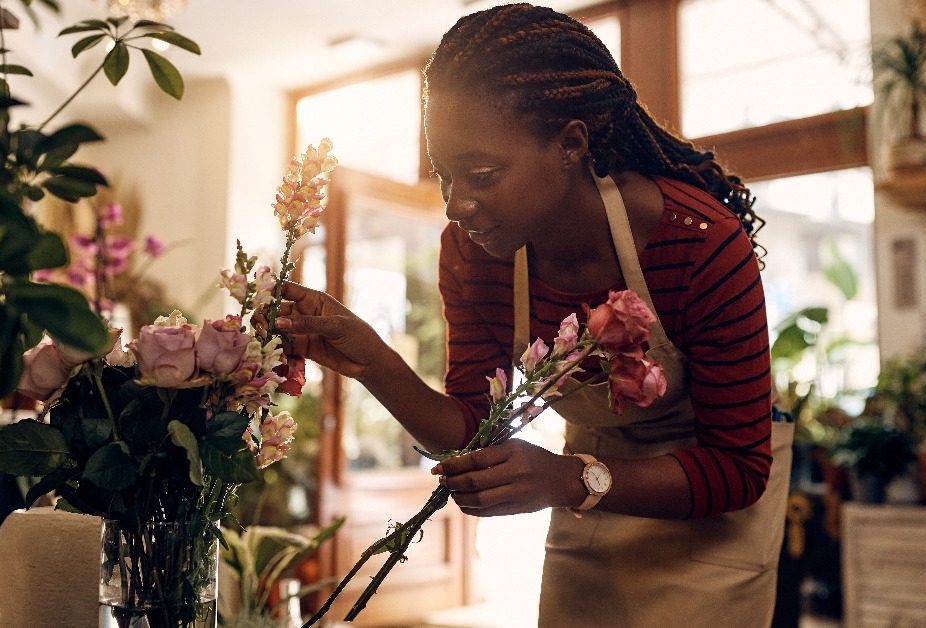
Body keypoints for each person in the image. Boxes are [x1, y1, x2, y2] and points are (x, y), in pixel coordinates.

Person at [274, 4, 793, 626]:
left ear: (571, 144)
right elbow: (470, 428)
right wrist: (369, 359)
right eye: (444, 177)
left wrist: (571, 480)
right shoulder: (475, 254)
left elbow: (738, 468)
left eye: (482, 174)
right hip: (589, 520)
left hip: (712, 536)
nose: (458, 204)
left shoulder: (700, 244)